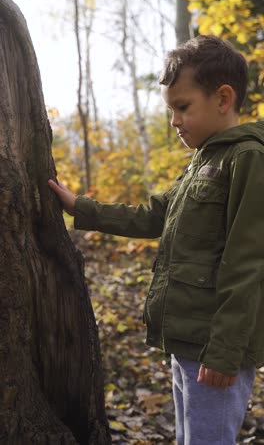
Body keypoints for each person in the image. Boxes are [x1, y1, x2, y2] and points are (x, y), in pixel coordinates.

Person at [48, 35, 264, 445]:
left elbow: (248, 263)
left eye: (183, 107)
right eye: (171, 110)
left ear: (223, 99)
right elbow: (153, 216)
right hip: (186, 339)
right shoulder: (204, 160)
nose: (175, 121)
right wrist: (81, 207)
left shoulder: (247, 159)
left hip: (214, 349)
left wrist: (224, 352)